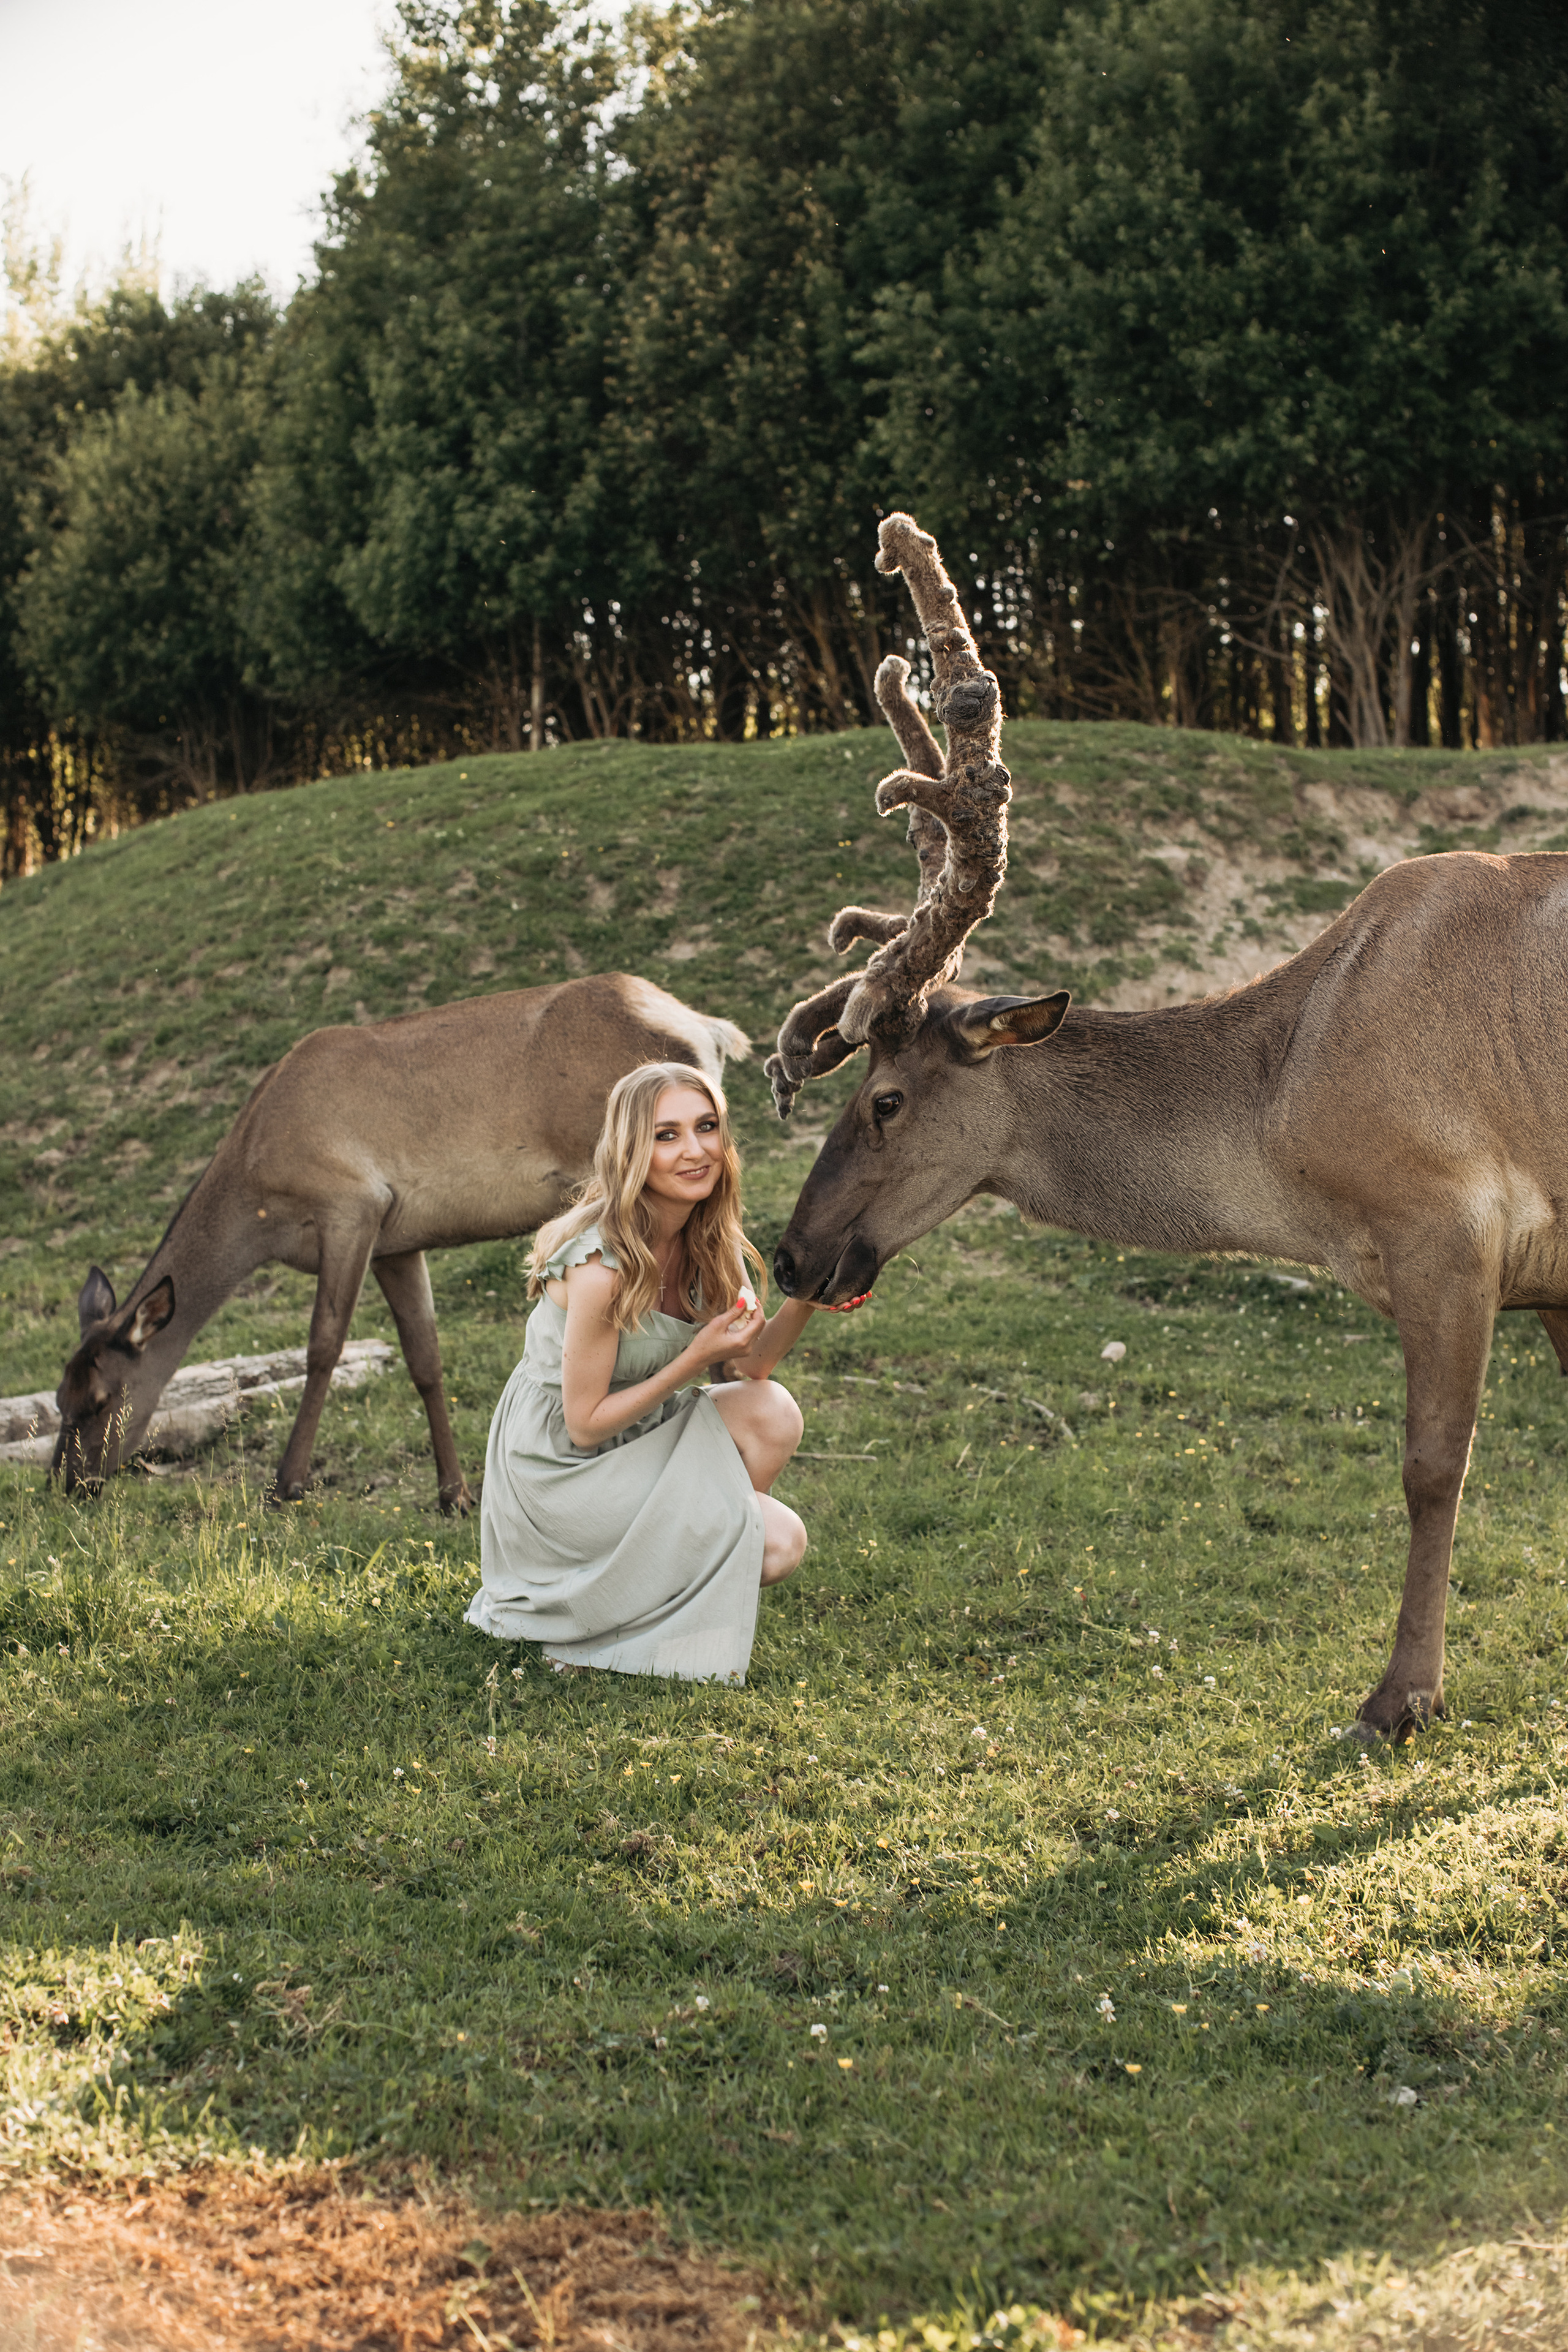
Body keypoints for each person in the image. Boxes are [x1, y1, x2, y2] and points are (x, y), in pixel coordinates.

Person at [464, 1060, 820, 1682]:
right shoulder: (602, 1265)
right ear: (632, 1150)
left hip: (638, 1433)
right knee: (778, 1540)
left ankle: (679, 1591)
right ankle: (601, 1621)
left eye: (706, 1127)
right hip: (560, 1469)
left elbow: (752, 1363)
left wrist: (815, 1290)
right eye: (667, 1135)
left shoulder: (711, 1243)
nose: (695, 1150)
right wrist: (691, 1361)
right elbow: (583, 1425)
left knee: (771, 1410)